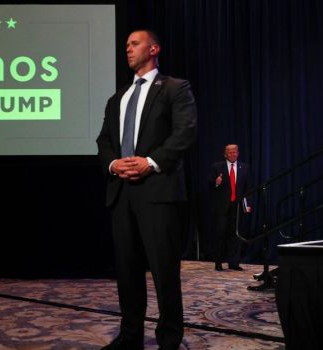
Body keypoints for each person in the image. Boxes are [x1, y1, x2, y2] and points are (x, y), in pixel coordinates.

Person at [96, 29, 197, 350]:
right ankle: (130, 338)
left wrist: (150, 162)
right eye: (126, 45)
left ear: (154, 48)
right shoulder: (118, 97)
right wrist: (114, 164)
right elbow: (104, 141)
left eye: (134, 43)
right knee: (127, 272)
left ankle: (169, 341)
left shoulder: (175, 88)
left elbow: (185, 132)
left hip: (159, 192)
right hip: (121, 192)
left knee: (164, 272)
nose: (128, 49)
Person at [208, 144, 252, 271]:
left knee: (236, 235)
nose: (232, 154)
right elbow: (210, 184)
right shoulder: (217, 167)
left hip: (237, 207)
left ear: (238, 153)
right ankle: (218, 262)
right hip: (221, 207)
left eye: (235, 152)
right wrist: (216, 182)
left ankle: (234, 262)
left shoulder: (244, 167)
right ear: (225, 154)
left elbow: (248, 188)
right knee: (220, 234)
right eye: (230, 152)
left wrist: (248, 204)